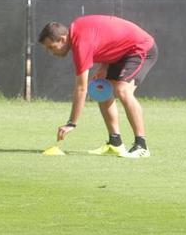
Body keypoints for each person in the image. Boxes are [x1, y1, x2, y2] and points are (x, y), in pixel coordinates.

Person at [38, 15, 158, 158]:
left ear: (63, 39)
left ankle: (141, 146)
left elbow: (81, 89)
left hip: (142, 48)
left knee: (122, 90)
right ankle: (115, 143)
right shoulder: (77, 30)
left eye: (51, 47)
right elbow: (108, 37)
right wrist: (104, 65)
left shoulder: (80, 43)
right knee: (102, 89)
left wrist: (71, 123)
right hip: (122, 53)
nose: (51, 52)